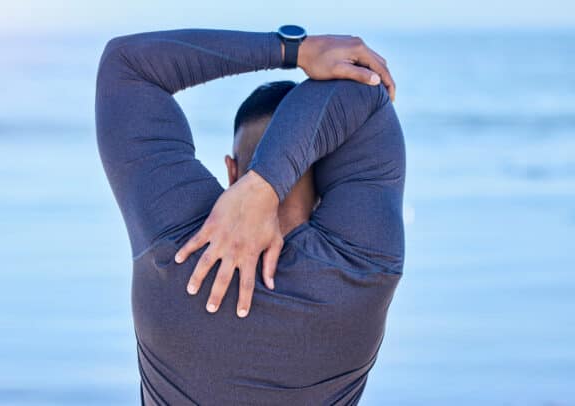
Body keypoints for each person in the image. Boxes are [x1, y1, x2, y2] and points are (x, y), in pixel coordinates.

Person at [95, 28, 405, 405]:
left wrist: (293, 50)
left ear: (231, 171)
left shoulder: (175, 246)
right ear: (327, 170)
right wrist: (267, 184)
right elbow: (366, 89)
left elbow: (127, 65)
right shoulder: (362, 267)